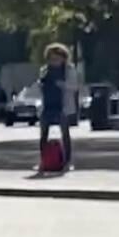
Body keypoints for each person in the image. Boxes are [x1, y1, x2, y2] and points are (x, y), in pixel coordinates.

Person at [40, 42, 77, 171]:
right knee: (43, 134)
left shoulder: (69, 70)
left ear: (63, 58)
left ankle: (67, 162)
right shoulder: (44, 70)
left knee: (65, 133)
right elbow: (40, 85)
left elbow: (74, 86)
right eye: (51, 58)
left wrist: (63, 85)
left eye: (56, 58)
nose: (54, 61)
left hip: (63, 106)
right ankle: (44, 161)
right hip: (47, 106)